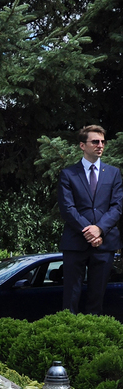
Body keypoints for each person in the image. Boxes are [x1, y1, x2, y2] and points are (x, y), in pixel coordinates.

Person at [58, 124, 123, 315]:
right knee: (70, 297)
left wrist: (100, 229)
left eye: (103, 142)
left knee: (97, 298)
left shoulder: (113, 173)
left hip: (105, 243)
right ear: (82, 145)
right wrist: (90, 231)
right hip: (75, 242)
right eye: (95, 141)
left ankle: (91, 339)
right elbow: (67, 208)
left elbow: (117, 206)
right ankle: (68, 336)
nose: (100, 145)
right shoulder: (68, 174)